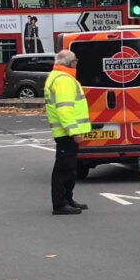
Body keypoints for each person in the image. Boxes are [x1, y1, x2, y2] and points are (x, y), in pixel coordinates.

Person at [43, 49, 90, 215]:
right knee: (64, 169)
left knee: (69, 168)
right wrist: (74, 132)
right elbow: (64, 109)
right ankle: (60, 203)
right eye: (76, 60)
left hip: (64, 132)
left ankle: (68, 199)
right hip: (66, 133)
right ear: (72, 63)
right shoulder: (64, 80)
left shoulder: (59, 77)